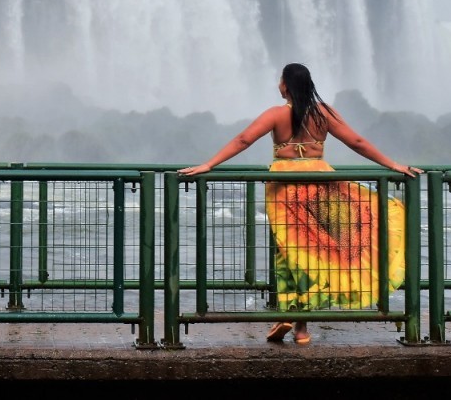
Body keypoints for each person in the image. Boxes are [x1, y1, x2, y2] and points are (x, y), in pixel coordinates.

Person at [178, 62, 423, 345]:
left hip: (285, 188)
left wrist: (208, 164)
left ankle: (286, 314)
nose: (278, 85)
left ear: (286, 85)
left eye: (280, 81)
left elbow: (244, 139)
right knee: (315, 256)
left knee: (289, 255)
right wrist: (393, 164)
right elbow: (356, 141)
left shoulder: (276, 114)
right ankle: (301, 328)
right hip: (319, 184)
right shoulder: (323, 114)